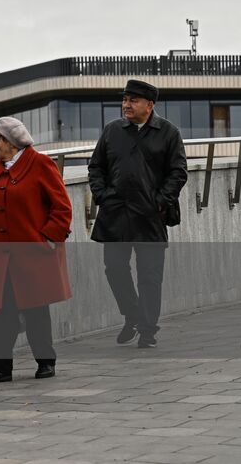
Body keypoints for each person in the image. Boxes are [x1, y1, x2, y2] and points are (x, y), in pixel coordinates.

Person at [88, 78, 188, 348]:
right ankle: (132, 314)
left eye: (133, 100)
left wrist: (159, 202)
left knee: (150, 275)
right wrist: (103, 195)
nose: (126, 105)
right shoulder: (112, 131)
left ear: (149, 104)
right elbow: (96, 167)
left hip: (149, 216)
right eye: (124, 100)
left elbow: (178, 172)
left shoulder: (168, 132)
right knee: (114, 269)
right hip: (115, 214)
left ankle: (147, 330)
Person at [0, 116, 74, 385]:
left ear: (10, 141)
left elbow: (62, 208)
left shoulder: (40, 164)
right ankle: (0, 368)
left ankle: (46, 361)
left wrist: (45, 240)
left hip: (33, 253)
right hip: (0, 256)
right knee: (2, 312)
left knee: (35, 309)